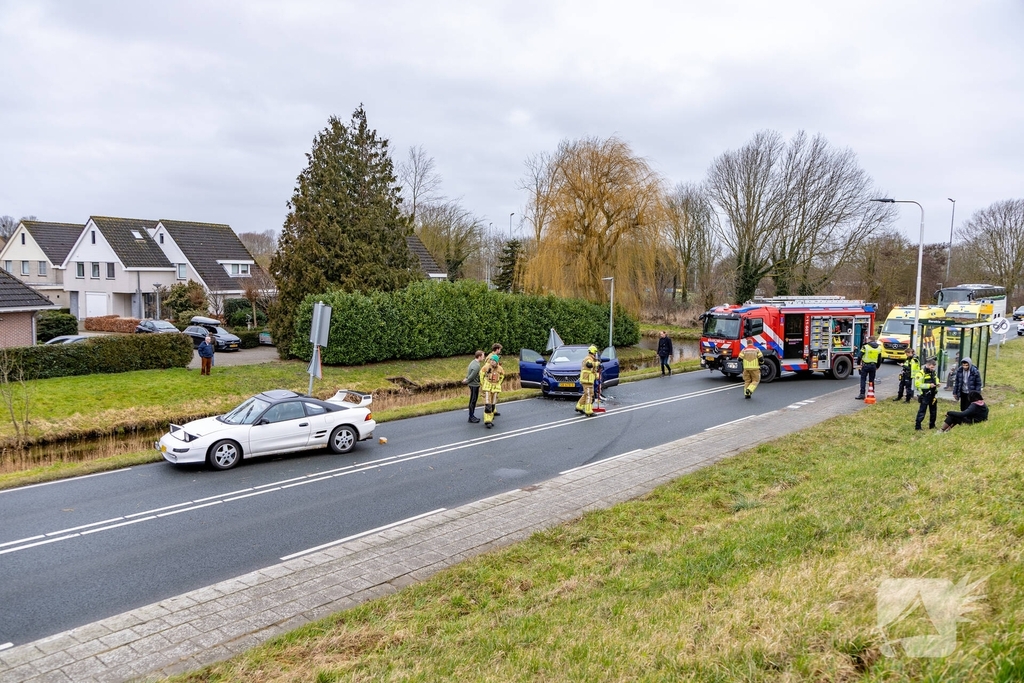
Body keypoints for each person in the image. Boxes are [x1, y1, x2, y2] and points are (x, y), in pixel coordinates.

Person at [479, 353, 505, 429]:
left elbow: (502, 376)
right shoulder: (486, 367)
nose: (492, 362)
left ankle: (490, 418)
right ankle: (487, 421)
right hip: (487, 387)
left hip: (495, 388)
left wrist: (499, 383)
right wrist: (483, 383)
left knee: (493, 405)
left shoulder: (500, 369)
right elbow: (481, 375)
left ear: (497, 362)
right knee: (488, 405)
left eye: (494, 360)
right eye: (491, 360)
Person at [914, 358, 939, 430]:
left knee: (933, 411)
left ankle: (932, 425)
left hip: (933, 394)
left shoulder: (933, 372)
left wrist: (937, 383)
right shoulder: (920, 373)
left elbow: (936, 378)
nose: (932, 369)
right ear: (927, 365)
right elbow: (918, 384)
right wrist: (928, 385)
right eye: (931, 367)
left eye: (933, 367)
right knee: (922, 411)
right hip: (925, 395)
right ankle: (918, 426)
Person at [855, 335, 882, 400]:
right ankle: (871, 393)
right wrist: (877, 366)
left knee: (863, 379)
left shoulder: (865, 347)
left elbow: (859, 356)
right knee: (871, 380)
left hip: (865, 365)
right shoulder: (879, 348)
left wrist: (858, 363)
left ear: (869, 340)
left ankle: (862, 394)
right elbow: (879, 359)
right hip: (873, 366)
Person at [576, 345, 600, 416]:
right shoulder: (588, 358)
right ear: (593, 352)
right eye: (595, 352)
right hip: (587, 379)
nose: (595, 354)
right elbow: (589, 365)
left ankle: (579, 406)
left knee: (586, 394)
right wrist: (597, 364)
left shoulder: (592, 359)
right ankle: (588, 411)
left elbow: (592, 370)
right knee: (589, 395)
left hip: (588, 379)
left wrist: (597, 375)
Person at [462, 350, 484, 423]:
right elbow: (472, 376)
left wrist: (466, 378)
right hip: (474, 385)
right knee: (473, 401)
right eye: (483, 356)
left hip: (472, 384)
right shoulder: (476, 366)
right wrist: (466, 381)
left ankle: (471, 416)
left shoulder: (473, 362)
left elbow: (469, 372)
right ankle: (471, 417)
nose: (483, 358)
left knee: (472, 400)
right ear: (479, 356)